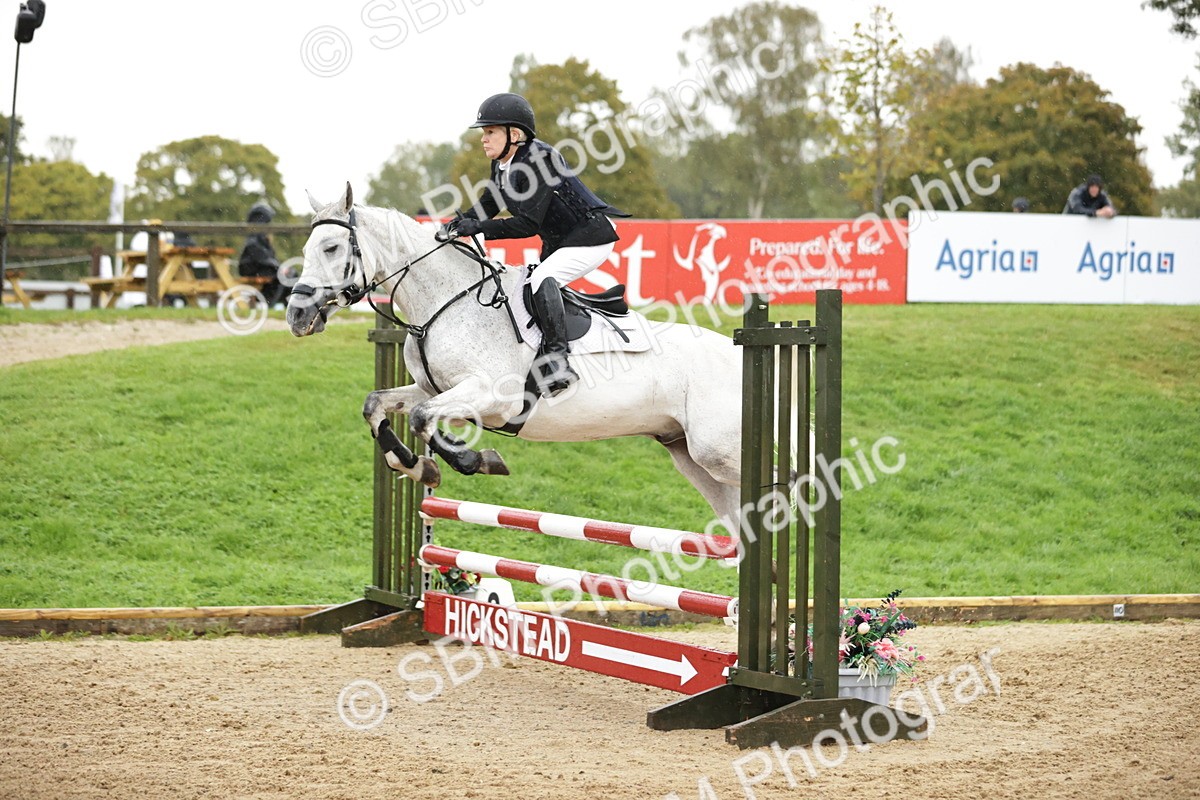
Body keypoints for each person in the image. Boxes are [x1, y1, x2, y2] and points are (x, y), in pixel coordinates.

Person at [440, 92, 630, 397]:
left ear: (514, 134)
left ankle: (557, 361)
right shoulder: (503, 163)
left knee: (542, 278)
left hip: (591, 236)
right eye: (484, 133)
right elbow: (490, 202)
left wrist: (477, 228)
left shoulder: (540, 159)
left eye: (490, 132)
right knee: (525, 285)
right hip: (560, 240)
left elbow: (527, 224)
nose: (483, 139)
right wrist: (457, 223)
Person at [237, 202, 289, 306]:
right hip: (253, 270)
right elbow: (262, 258)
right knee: (282, 275)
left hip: (261, 269)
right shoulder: (254, 239)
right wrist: (279, 268)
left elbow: (268, 257)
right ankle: (268, 303)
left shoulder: (261, 238)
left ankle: (286, 304)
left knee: (290, 274)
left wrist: (279, 267)